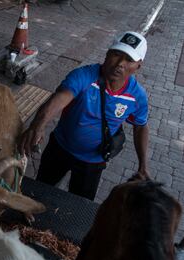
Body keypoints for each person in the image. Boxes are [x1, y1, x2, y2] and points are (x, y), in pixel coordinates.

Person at [19, 31, 150, 200]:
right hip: (59, 149)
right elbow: (60, 98)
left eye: (129, 60)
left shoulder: (137, 96)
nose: (120, 64)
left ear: (138, 66)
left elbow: (141, 126)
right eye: (116, 54)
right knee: (39, 192)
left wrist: (143, 165)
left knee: (79, 205)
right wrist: (37, 125)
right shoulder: (84, 76)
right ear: (107, 53)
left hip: (93, 162)